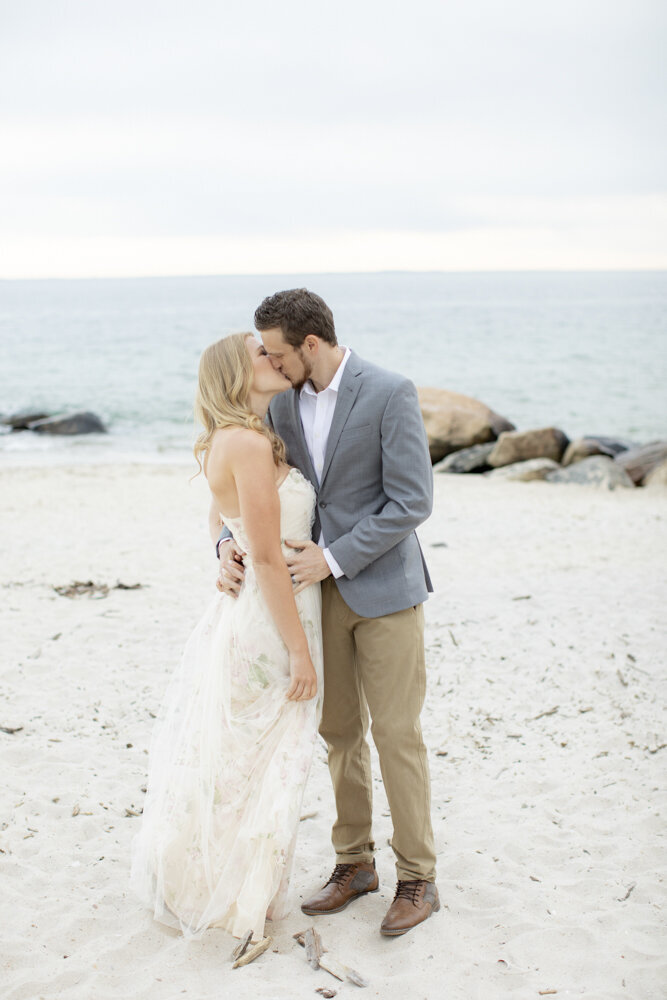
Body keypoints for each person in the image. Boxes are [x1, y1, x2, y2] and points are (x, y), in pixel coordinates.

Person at [218, 289, 439, 937]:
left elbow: (410, 501)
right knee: (338, 733)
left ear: (311, 344)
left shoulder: (389, 391)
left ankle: (419, 877)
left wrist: (333, 558)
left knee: (396, 734)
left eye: (279, 352)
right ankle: (354, 864)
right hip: (313, 599)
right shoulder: (278, 403)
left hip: (386, 592)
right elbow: (243, 487)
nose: (272, 363)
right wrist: (224, 542)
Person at [130, 332, 323, 941]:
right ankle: (233, 889)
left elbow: (226, 516)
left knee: (251, 758)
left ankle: (237, 882)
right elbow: (266, 559)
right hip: (272, 621)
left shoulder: (243, 436)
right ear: (234, 376)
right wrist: (299, 653)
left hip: (268, 613)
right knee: (262, 759)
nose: (273, 356)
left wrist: (221, 541)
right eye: (259, 354)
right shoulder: (243, 441)